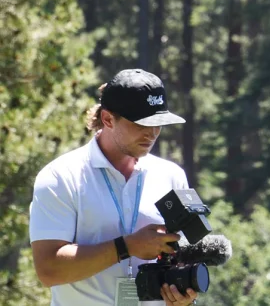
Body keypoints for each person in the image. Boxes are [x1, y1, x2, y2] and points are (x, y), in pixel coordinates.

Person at [29, 69, 199, 306]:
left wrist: (183, 296)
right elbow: (49, 270)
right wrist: (127, 246)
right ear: (108, 119)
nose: (152, 133)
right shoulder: (60, 176)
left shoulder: (172, 175)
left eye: (159, 123)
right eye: (142, 123)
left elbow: (183, 257)